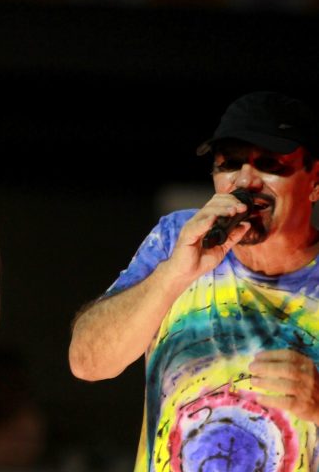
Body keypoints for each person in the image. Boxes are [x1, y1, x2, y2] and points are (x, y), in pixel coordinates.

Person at [69, 91, 319, 471]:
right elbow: (87, 362)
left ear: (315, 182)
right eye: (229, 164)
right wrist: (174, 273)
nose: (246, 181)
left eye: (270, 164)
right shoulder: (177, 238)